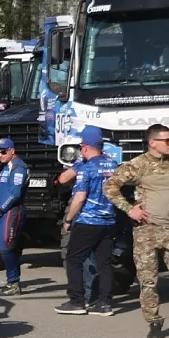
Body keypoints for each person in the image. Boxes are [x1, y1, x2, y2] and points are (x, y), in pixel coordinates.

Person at [103, 123, 169, 338]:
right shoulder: (137, 165)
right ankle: (154, 322)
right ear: (153, 143)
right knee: (148, 281)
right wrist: (130, 210)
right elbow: (110, 186)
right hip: (145, 231)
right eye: (168, 140)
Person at [57, 126, 117, 316]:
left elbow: (80, 197)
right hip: (109, 221)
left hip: (88, 220)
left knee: (74, 259)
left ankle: (76, 301)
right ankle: (105, 303)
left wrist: (68, 219)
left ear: (84, 147)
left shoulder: (86, 168)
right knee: (104, 263)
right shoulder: (113, 165)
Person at [0, 138, 28, 296]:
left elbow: (15, 194)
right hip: (2, 212)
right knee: (5, 247)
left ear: (12, 150)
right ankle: (12, 281)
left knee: (6, 247)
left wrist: (0, 209)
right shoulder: (6, 167)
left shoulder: (18, 167)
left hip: (11, 211)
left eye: (3, 152)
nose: (0, 155)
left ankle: (13, 282)